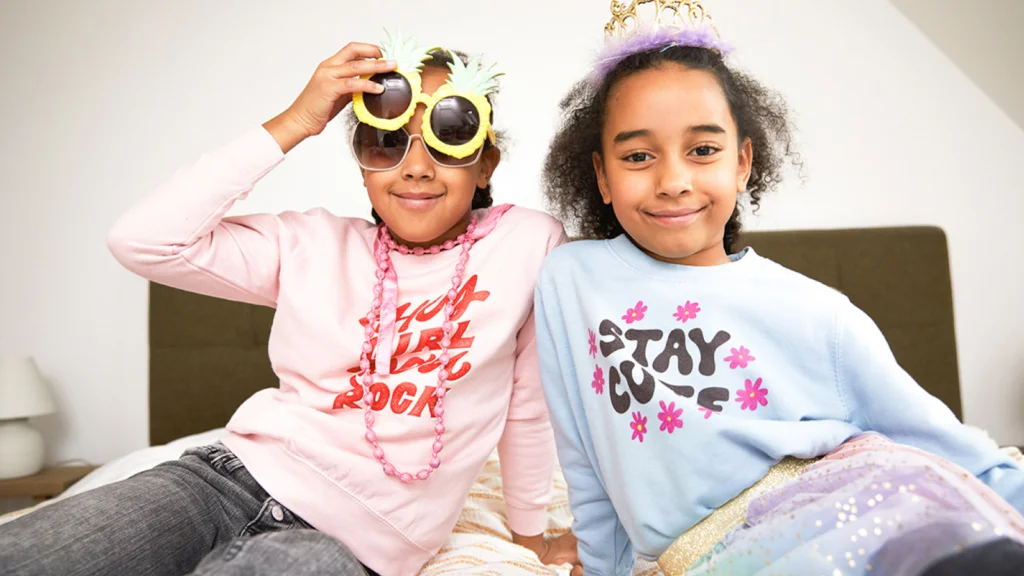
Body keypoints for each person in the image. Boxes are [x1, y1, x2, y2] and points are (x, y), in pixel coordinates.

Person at [0, 31, 578, 576]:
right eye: (387, 141)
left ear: (486, 164)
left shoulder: (525, 244)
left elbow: (528, 403)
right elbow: (141, 240)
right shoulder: (308, 242)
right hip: (220, 484)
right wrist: (297, 122)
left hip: (343, 547)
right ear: (362, 162)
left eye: (450, 138)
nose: (417, 167)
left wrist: (531, 538)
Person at [533, 2, 1024, 575]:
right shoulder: (571, 281)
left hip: (866, 494)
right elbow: (586, 465)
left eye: (703, 150)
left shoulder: (818, 313)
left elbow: (952, 446)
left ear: (742, 163)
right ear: (601, 176)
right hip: (720, 553)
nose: (673, 181)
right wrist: (602, 567)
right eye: (638, 156)